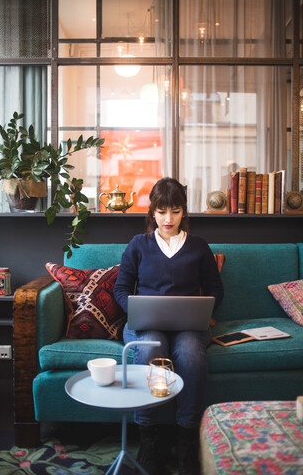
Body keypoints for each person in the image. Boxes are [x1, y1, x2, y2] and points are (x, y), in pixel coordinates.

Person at [113, 177, 224, 475]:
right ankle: (149, 440)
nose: (168, 219)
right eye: (162, 212)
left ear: (183, 212)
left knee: (189, 352)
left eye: (175, 211)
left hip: (190, 326)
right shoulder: (139, 245)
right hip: (146, 324)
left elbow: (216, 289)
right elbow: (121, 289)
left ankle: (187, 440)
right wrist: (135, 310)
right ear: (153, 212)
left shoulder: (199, 246)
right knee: (152, 348)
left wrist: (205, 310)